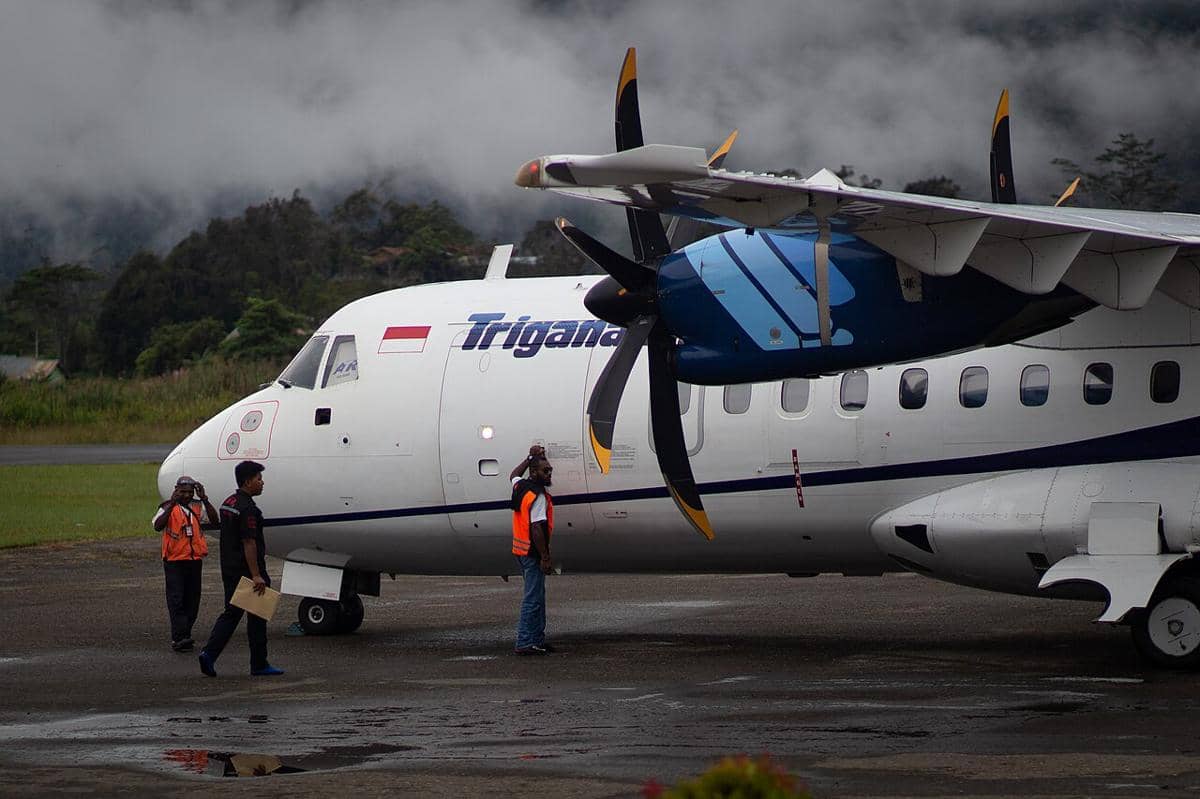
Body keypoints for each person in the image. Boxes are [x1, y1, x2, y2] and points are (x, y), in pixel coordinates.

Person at [197, 460, 284, 677]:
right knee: (255, 616)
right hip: (247, 572)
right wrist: (256, 575)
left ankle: (213, 654)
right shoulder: (248, 509)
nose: (262, 483)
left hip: (230, 568)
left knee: (233, 613)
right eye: (258, 479)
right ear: (247, 482)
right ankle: (257, 663)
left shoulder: (229, 502)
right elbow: (249, 542)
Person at [153, 475, 216, 652]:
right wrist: (172, 504)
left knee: (193, 600)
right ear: (176, 490)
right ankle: (179, 637)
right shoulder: (167, 507)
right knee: (176, 599)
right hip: (174, 561)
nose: (187, 495)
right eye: (183, 492)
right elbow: (158, 526)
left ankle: (184, 634)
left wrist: (204, 498)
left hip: (194, 561)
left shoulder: (197, 506)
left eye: (190, 492)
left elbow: (214, 519)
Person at [510, 444, 555, 655]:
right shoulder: (537, 496)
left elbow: (513, 474)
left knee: (537, 596)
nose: (549, 474)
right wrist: (545, 557)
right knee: (533, 599)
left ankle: (536, 639)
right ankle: (526, 641)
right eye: (545, 471)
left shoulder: (521, 487)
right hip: (532, 552)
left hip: (520, 550)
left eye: (550, 470)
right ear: (535, 473)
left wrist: (530, 458)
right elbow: (537, 527)